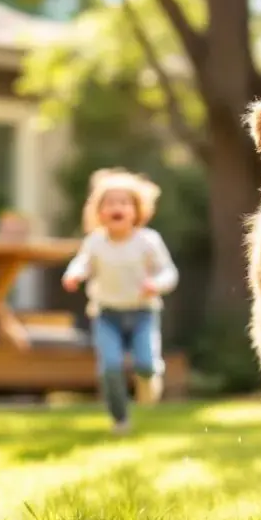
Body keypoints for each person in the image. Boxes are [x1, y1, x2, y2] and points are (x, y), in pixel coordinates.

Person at [61, 168, 178, 434]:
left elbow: (169, 273)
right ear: (99, 213)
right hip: (106, 315)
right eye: (109, 203)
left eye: (123, 203)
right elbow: (82, 263)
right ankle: (120, 419)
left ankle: (149, 381)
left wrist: (156, 284)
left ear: (136, 210)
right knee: (110, 368)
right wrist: (74, 274)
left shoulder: (148, 241)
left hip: (142, 313)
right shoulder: (95, 242)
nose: (117, 208)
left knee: (146, 364)